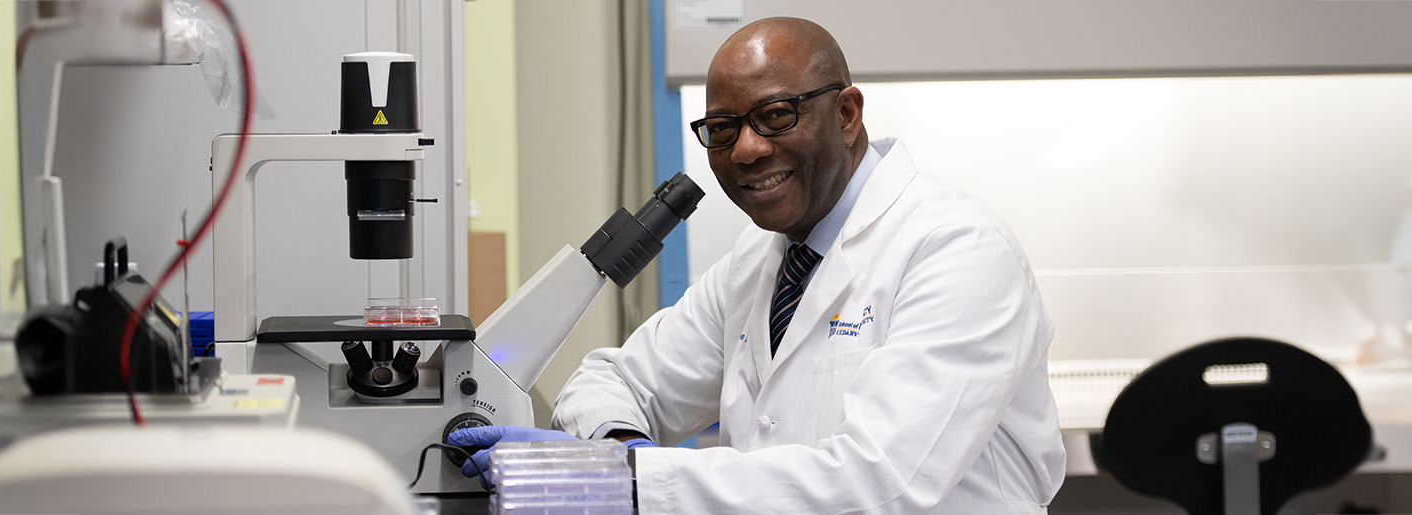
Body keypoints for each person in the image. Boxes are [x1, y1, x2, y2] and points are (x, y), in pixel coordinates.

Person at [451, 17, 1065, 513]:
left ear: (847, 115)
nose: (746, 148)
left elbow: (881, 484)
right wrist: (616, 448)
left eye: (776, 115)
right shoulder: (761, 261)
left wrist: (628, 482)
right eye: (722, 128)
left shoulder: (957, 249)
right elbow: (614, 381)